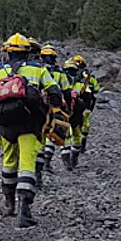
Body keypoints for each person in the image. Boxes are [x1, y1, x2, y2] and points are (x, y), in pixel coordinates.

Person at [0, 33, 62, 227]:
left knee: (9, 163)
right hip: (30, 124)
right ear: (28, 52)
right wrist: (53, 110)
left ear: (7, 52)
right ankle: (25, 211)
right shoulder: (38, 70)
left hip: (6, 125)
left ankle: (8, 203)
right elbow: (55, 92)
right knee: (27, 165)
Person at [36, 44, 71, 187]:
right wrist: (68, 107)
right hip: (55, 107)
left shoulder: (36, 68)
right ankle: (50, 162)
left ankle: (41, 166)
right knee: (55, 132)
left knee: (40, 137)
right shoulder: (59, 72)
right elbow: (66, 90)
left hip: (38, 108)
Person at [63, 55, 100, 168]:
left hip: (65, 110)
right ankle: (76, 154)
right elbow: (94, 90)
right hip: (81, 108)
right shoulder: (87, 77)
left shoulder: (61, 77)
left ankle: (65, 157)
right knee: (80, 130)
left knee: (66, 134)